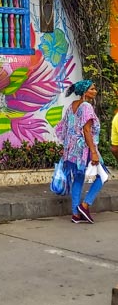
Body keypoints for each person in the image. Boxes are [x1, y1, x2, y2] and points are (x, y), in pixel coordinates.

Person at [55, 79, 105, 223]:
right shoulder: (86, 107)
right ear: (84, 92)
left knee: (78, 178)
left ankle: (76, 214)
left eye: (95, 89)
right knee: (103, 176)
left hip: (72, 150)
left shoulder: (72, 106)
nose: (95, 91)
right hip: (85, 148)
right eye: (92, 89)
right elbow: (87, 130)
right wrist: (94, 152)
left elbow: (63, 127)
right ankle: (85, 205)